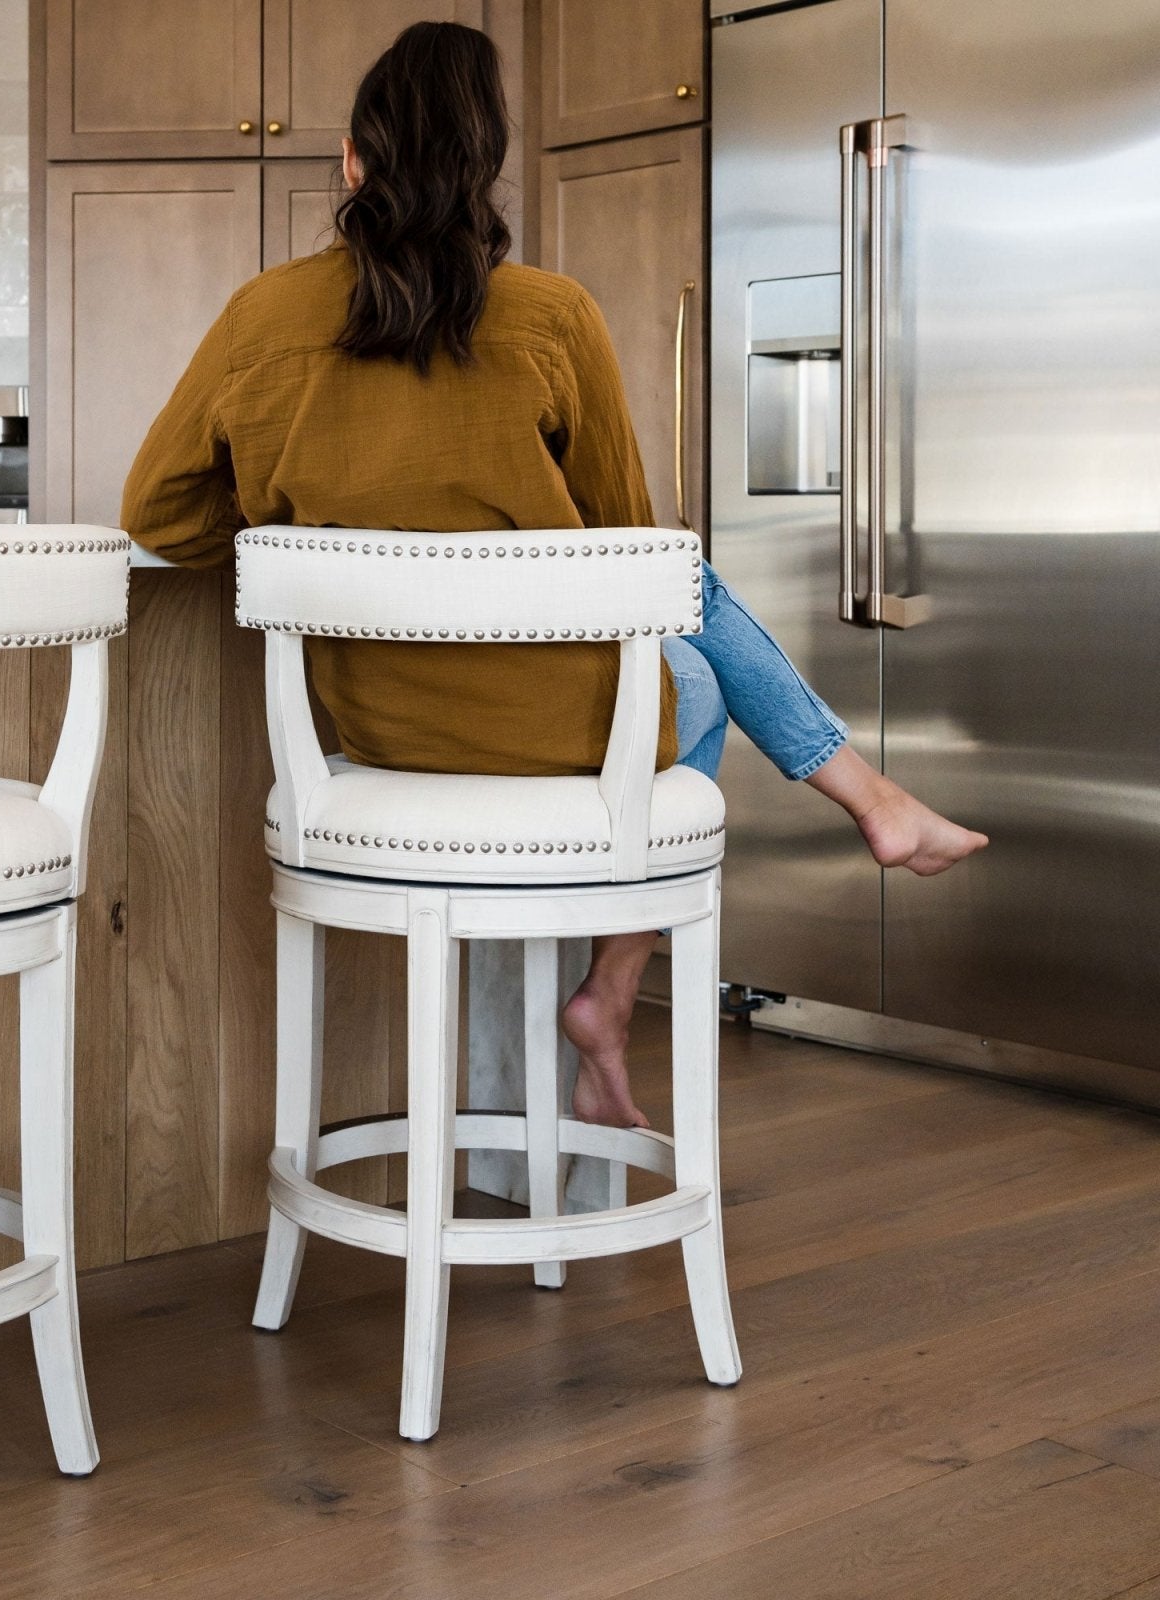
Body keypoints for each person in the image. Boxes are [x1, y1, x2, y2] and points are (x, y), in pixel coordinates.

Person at [121, 21, 987, 1131]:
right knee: (695, 634)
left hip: (376, 738)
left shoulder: (260, 317)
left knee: (686, 616)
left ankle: (839, 836)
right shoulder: (551, 315)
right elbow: (635, 557)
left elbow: (155, 513)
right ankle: (637, 973)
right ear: (489, 166)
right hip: (559, 736)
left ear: (350, 161)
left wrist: (301, 533)